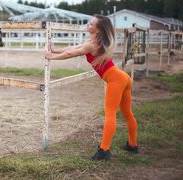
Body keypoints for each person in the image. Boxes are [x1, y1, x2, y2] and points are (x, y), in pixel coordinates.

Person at [45, 14, 138, 160]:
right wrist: (54, 50)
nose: (88, 25)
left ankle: (104, 150)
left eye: (91, 24)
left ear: (98, 30)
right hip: (123, 78)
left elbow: (71, 54)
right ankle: (133, 145)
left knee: (110, 114)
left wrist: (51, 57)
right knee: (127, 113)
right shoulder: (94, 42)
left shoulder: (92, 45)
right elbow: (73, 47)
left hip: (116, 80)